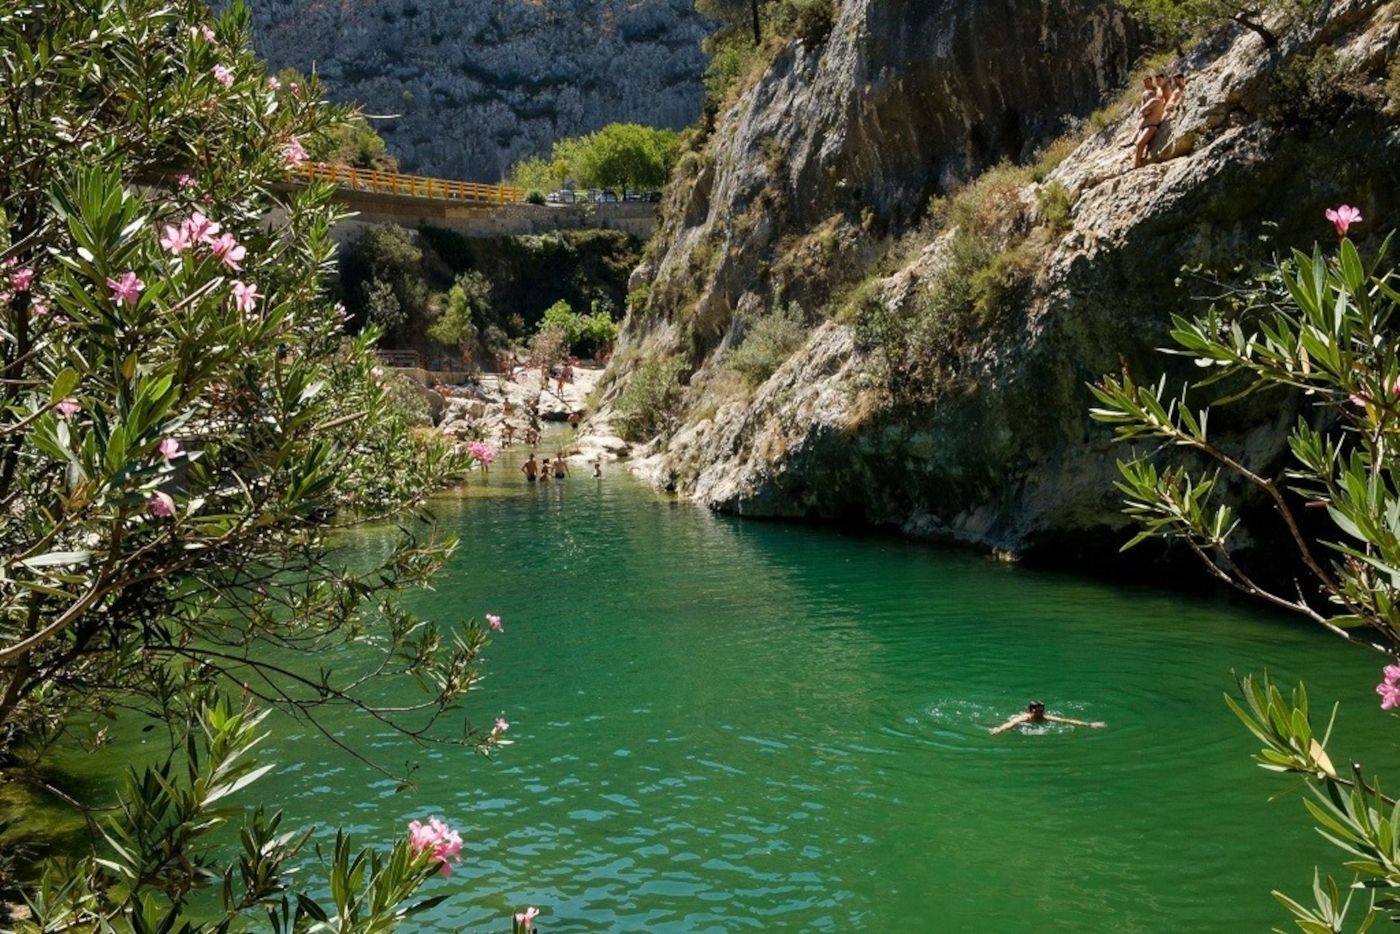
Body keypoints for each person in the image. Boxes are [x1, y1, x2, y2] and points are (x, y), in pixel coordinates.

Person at [989, 701, 1105, 734]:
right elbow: (1011, 724)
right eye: (1037, 711)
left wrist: (1090, 725)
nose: (1040, 713)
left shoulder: (1045, 718)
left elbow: (1067, 721)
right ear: (1031, 711)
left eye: (1042, 711)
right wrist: (999, 729)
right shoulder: (1024, 718)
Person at [1132, 76, 1167, 170]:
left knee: (1140, 144)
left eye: (1150, 95)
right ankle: (1138, 163)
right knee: (1139, 146)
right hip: (1146, 124)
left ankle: (1135, 167)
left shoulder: (1156, 99)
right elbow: (1143, 109)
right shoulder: (1147, 96)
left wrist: (1145, 111)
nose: (1149, 96)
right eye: (1145, 82)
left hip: (1151, 125)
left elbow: (1144, 109)